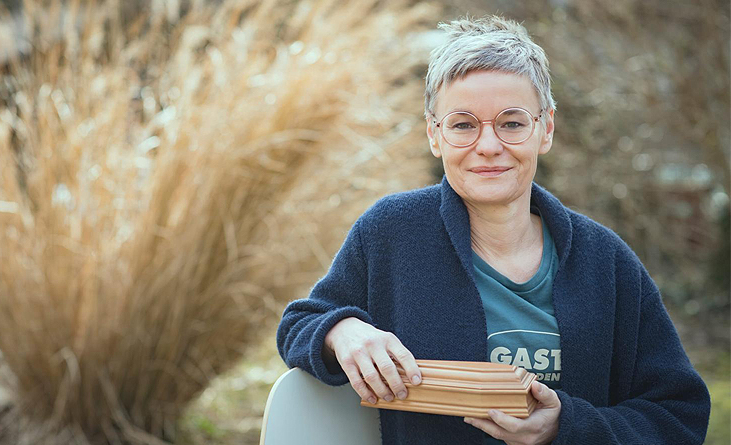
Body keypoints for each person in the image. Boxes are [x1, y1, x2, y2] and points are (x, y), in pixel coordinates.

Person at [276, 15, 710, 445]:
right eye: (463, 124)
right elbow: (299, 324)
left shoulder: (606, 261)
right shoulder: (391, 232)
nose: (488, 145)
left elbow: (677, 413)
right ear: (434, 134)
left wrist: (567, 427)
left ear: (546, 129)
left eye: (512, 123)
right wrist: (344, 330)